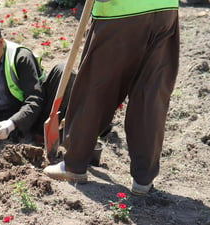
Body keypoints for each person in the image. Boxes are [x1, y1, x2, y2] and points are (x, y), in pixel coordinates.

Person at [43, 0, 180, 196]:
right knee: (150, 96)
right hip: (165, 10)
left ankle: (75, 164)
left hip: (120, 12)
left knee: (95, 88)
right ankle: (143, 179)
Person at [0, 17, 75, 143]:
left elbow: (34, 99)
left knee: (65, 71)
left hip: (29, 113)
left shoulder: (20, 57)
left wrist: (13, 122)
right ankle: (13, 134)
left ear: (1, 42)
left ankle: (37, 134)